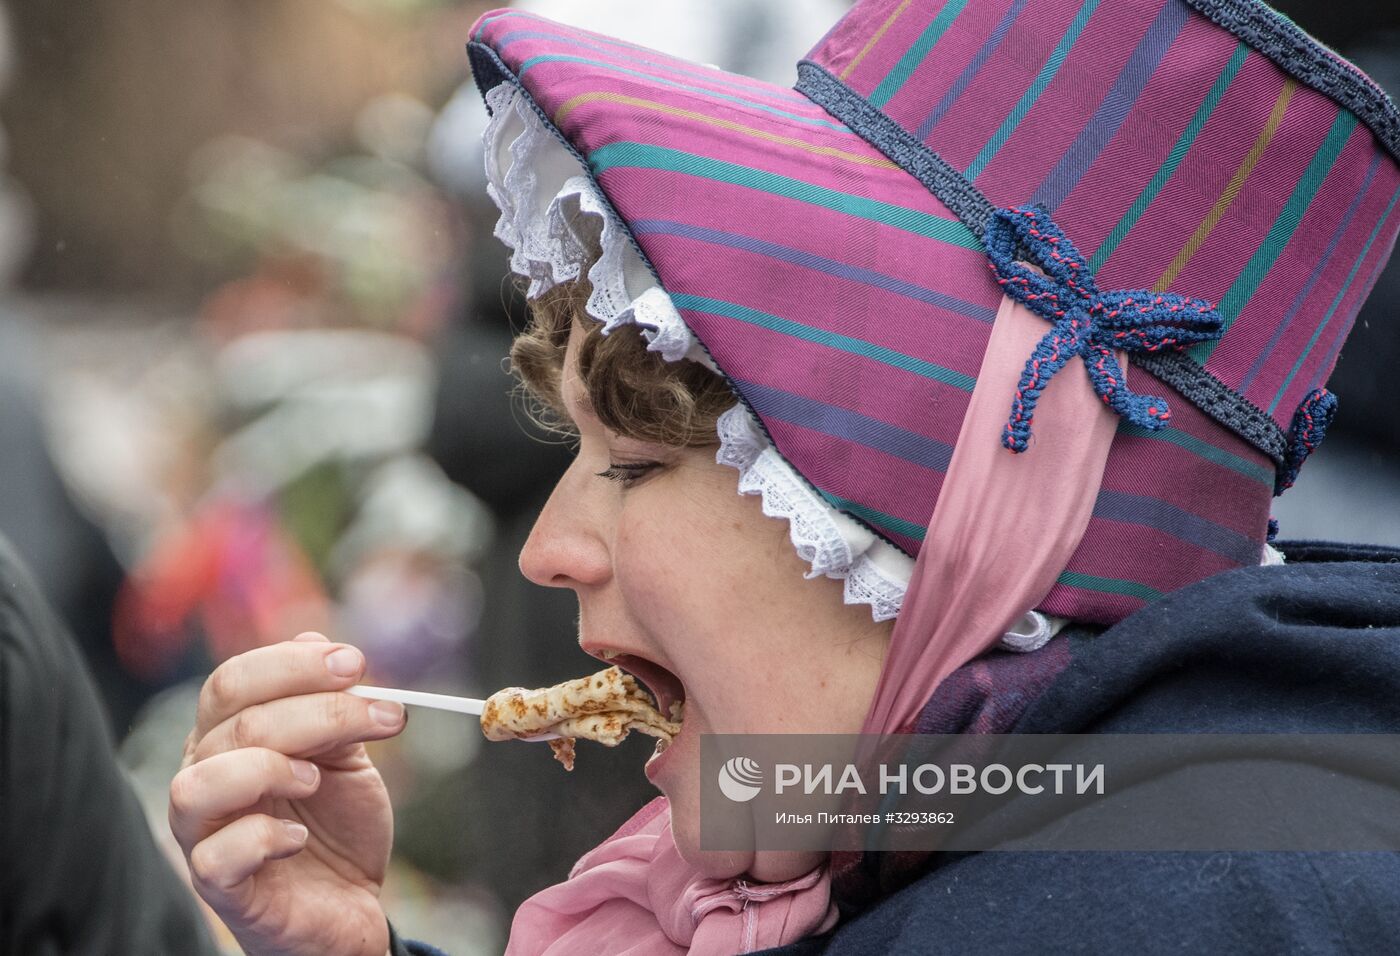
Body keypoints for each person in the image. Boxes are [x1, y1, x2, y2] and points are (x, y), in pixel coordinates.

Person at [168, 0, 1400, 953]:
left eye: (637, 465)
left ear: (949, 534)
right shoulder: (1068, 817)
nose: (549, 547)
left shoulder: (1112, 909)